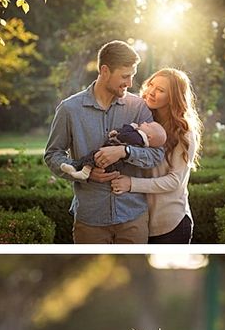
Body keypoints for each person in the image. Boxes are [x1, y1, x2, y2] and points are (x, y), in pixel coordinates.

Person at [44, 41, 165, 244]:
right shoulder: (69, 109)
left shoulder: (139, 107)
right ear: (105, 71)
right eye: (125, 76)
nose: (130, 83)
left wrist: (124, 152)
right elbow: (53, 154)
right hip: (90, 219)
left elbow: (157, 154)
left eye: (132, 76)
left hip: (133, 216)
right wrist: (86, 172)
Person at [110, 69, 202, 244]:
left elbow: (175, 181)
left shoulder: (184, 132)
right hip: (137, 221)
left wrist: (131, 184)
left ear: (173, 97)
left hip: (170, 224)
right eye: (151, 85)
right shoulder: (140, 121)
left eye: (160, 90)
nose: (151, 92)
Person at [65, 120, 167, 181]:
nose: (144, 122)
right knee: (92, 157)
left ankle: (81, 170)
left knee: (92, 157)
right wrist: (117, 132)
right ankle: (78, 169)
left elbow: (124, 135)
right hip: (113, 163)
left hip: (113, 164)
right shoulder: (139, 136)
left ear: (149, 137)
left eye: (148, 125)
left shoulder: (139, 137)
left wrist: (130, 127)